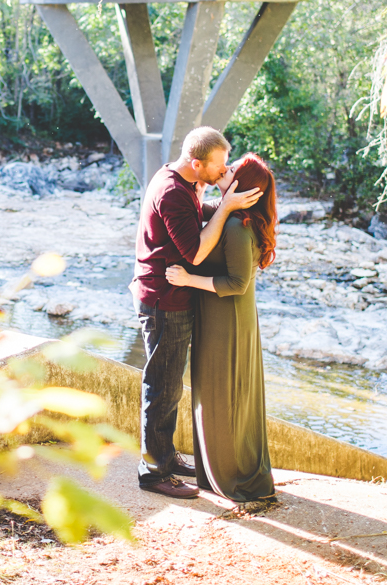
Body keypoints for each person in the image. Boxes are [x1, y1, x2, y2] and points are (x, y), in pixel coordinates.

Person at [130, 127, 262, 499]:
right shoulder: (173, 190)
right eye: (219, 165)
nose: (223, 172)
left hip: (166, 296)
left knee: (169, 384)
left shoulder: (180, 180)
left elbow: (194, 216)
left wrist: (224, 205)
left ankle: (166, 457)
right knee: (163, 386)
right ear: (196, 162)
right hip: (163, 302)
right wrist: (228, 208)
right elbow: (195, 253)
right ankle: (153, 471)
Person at [166, 153, 278, 504]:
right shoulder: (227, 214)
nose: (223, 171)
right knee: (215, 395)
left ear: (243, 188)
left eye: (231, 171)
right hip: (220, 317)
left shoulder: (237, 227)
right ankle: (218, 472)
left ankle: (236, 477)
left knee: (224, 397)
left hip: (228, 320)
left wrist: (188, 278)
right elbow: (201, 210)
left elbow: (237, 283)